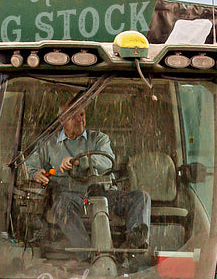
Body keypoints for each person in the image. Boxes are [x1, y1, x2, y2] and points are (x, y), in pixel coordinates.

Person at [21, 107, 150, 252]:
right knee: (62, 206)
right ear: (62, 120)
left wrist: (79, 161)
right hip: (69, 195)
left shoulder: (100, 139)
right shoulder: (49, 143)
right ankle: (87, 255)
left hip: (103, 194)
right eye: (74, 116)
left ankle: (134, 245)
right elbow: (29, 165)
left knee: (141, 198)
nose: (80, 119)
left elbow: (106, 161)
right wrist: (35, 173)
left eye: (82, 114)